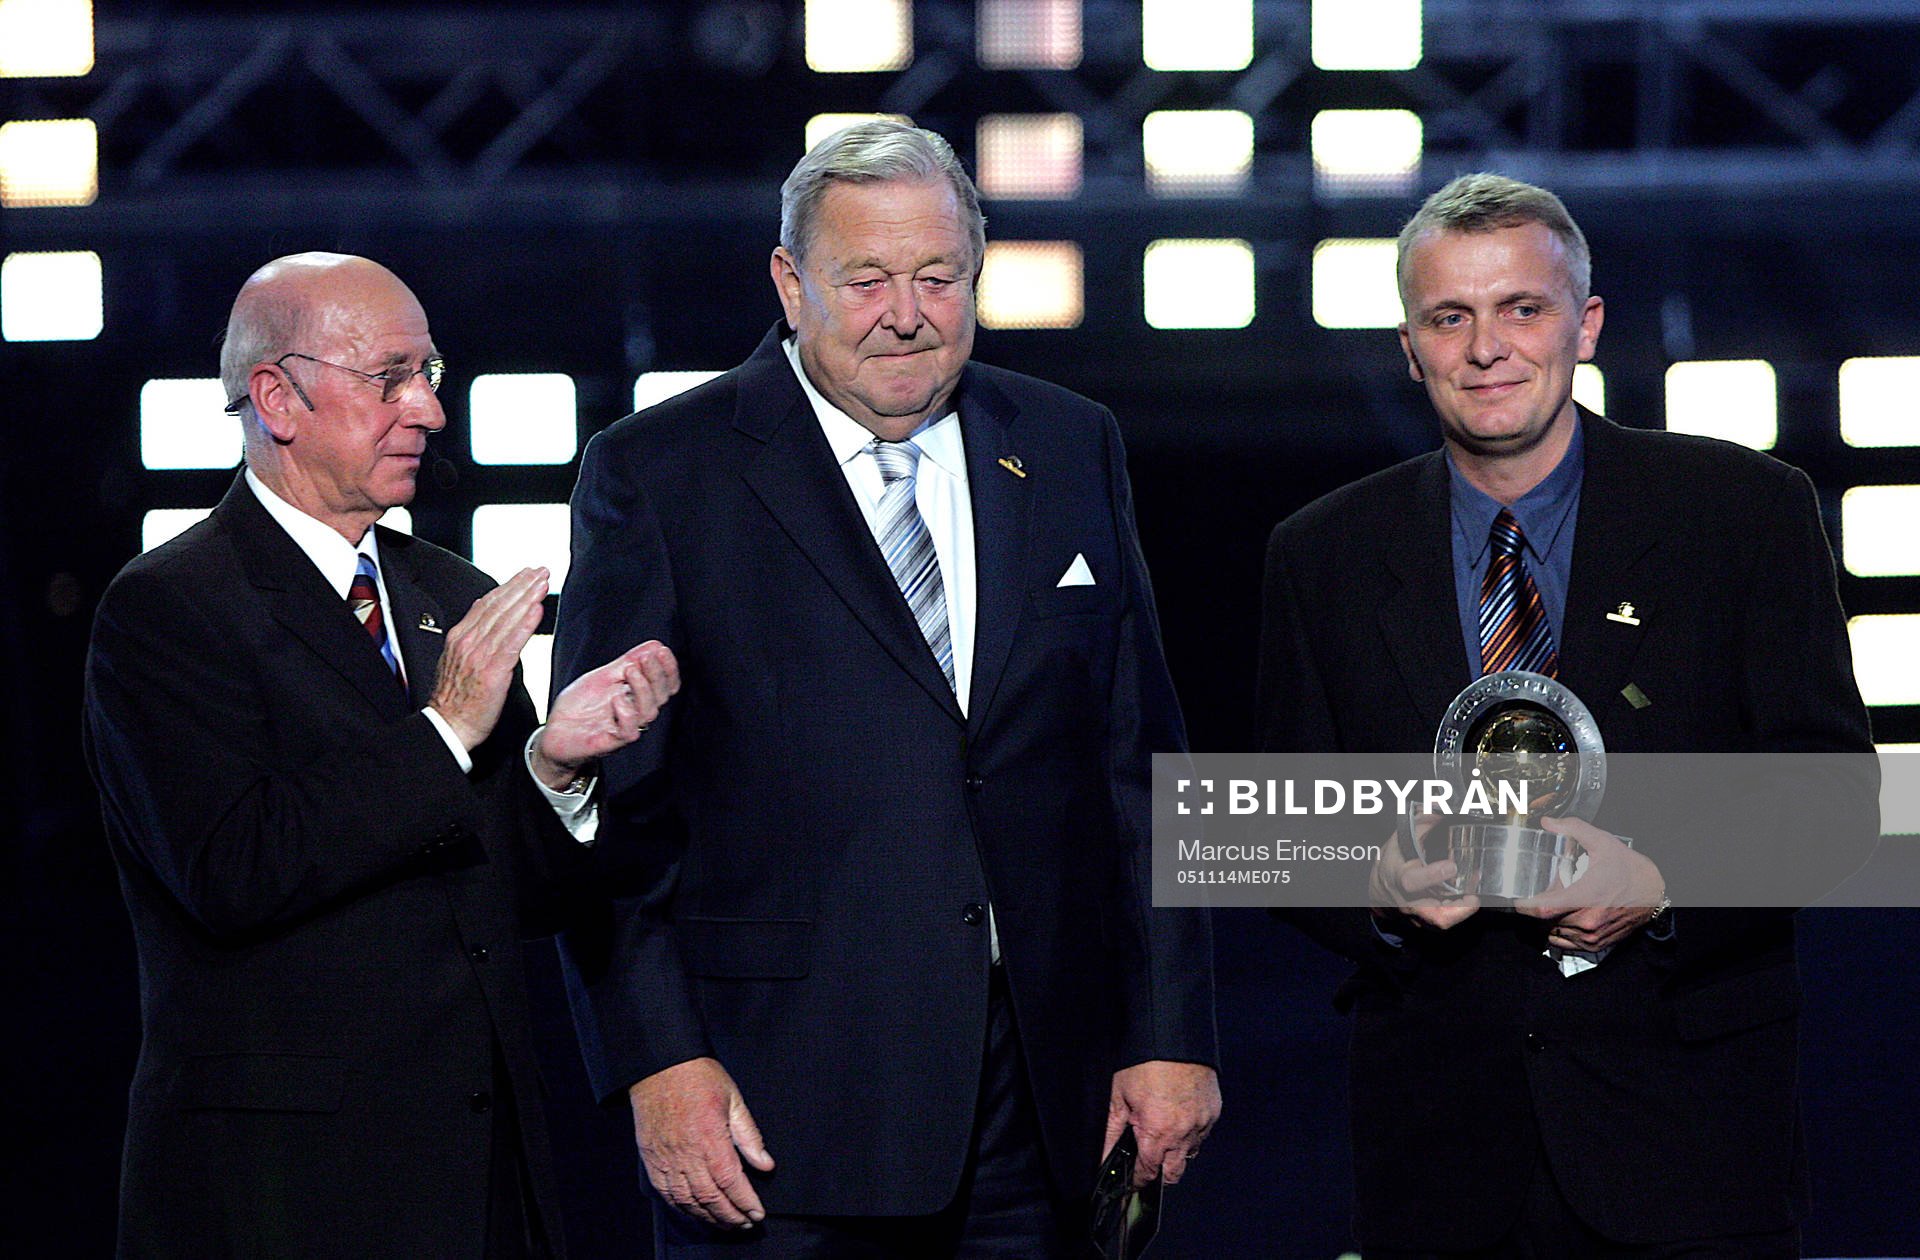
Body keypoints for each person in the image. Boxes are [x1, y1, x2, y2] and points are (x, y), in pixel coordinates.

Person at [552, 120, 1219, 1256]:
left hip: (1046, 1109)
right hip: (775, 1119)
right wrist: (656, 1060)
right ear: (790, 280)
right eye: (865, 279)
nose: (905, 313)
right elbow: (613, 816)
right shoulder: (661, 472)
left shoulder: (1067, 444)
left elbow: (1142, 767)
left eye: (936, 277)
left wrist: (1171, 1032)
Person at [1257, 174, 1875, 1257]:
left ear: (1585, 325)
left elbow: (1833, 796)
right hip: (1438, 1153)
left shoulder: (1742, 512)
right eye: (1451, 317)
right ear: (1411, 345)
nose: (1486, 347)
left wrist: (1659, 876)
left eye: (1522, 309)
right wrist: (1376, 876)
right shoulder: (1322, 552)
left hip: (1690, 1140)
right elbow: (1269, 826)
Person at [83, 252, 680, 1259]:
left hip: (482, 1184)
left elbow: (514, 899)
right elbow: (234, 870)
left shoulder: (447, 591)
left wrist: (557, 766)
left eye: (431, 377)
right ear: (276, 397)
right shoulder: (169, 609)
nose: (429, 413)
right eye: (390, 378)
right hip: (282, 1198)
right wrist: (445, 730)